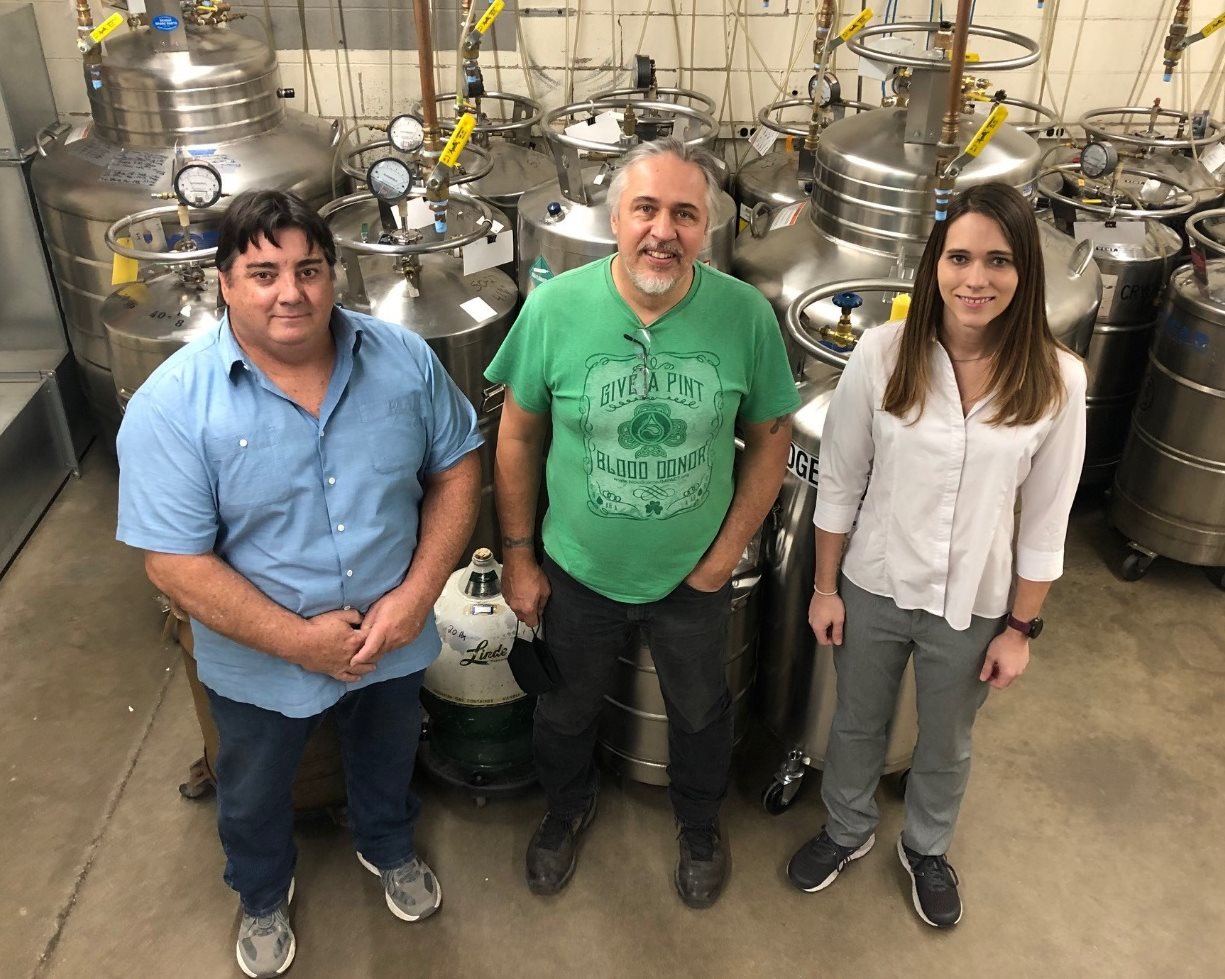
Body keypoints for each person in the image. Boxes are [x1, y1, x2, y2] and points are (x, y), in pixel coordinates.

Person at [116, 190, 481, 977]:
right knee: (251, 785)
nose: (291, 292)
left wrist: (416, 596)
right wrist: (300, 643)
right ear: (223, 281)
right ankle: (259, 889)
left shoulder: (403, 359)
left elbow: (455, 468)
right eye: (263, 272)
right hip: (260, 660)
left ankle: (386, 843)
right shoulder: (173, 406)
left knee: (386, 754)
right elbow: (171, 561)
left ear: (333, 272)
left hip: (394, 634)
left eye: (308, 269)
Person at [486, 137, 801, 909]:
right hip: (576, 565)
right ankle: (565, 810)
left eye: (684, 214)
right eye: (646, 209)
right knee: (564, 708)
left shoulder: (743, 316)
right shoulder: (556, 308)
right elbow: (517, 437)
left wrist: (724, 554)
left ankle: (698, 822)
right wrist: (520, 558)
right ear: (615, 218)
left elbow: (770, 441)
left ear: (706, 227)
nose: (663, 230)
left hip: (692, 574)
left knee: (699, 710)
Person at [785, 182, 1087, 928]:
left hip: (974, 601)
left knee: (946, 737)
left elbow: (1046, 523)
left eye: (997, 261)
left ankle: (925, 846)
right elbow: (841, 480)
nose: (974, 279)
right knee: (857, 720)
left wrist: (1020, 629)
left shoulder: (1056, 380)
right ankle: (847, 828)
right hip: (875, 581)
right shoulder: (885, 353)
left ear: (1024, 275)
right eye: (958, 257)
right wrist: (825, 588)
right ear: (934, 263)